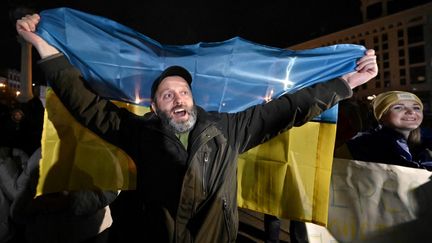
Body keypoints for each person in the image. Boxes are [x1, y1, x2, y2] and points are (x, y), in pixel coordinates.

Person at [16, 13, 378, 242]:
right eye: (167, 94)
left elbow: (288, 108)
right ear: (155, 106)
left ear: (193, 98)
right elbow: (85, 104)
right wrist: (44, 47)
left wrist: (346, 83)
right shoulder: (140, 133)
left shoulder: (229, 130)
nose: (177, 99)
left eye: (183, 92)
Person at [335, 90, 432, 169]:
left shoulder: (424, 139)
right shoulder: (369, 144)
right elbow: (407, 170)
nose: (411, 112)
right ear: (382, 116)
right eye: (398, 107)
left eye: (416, 108)